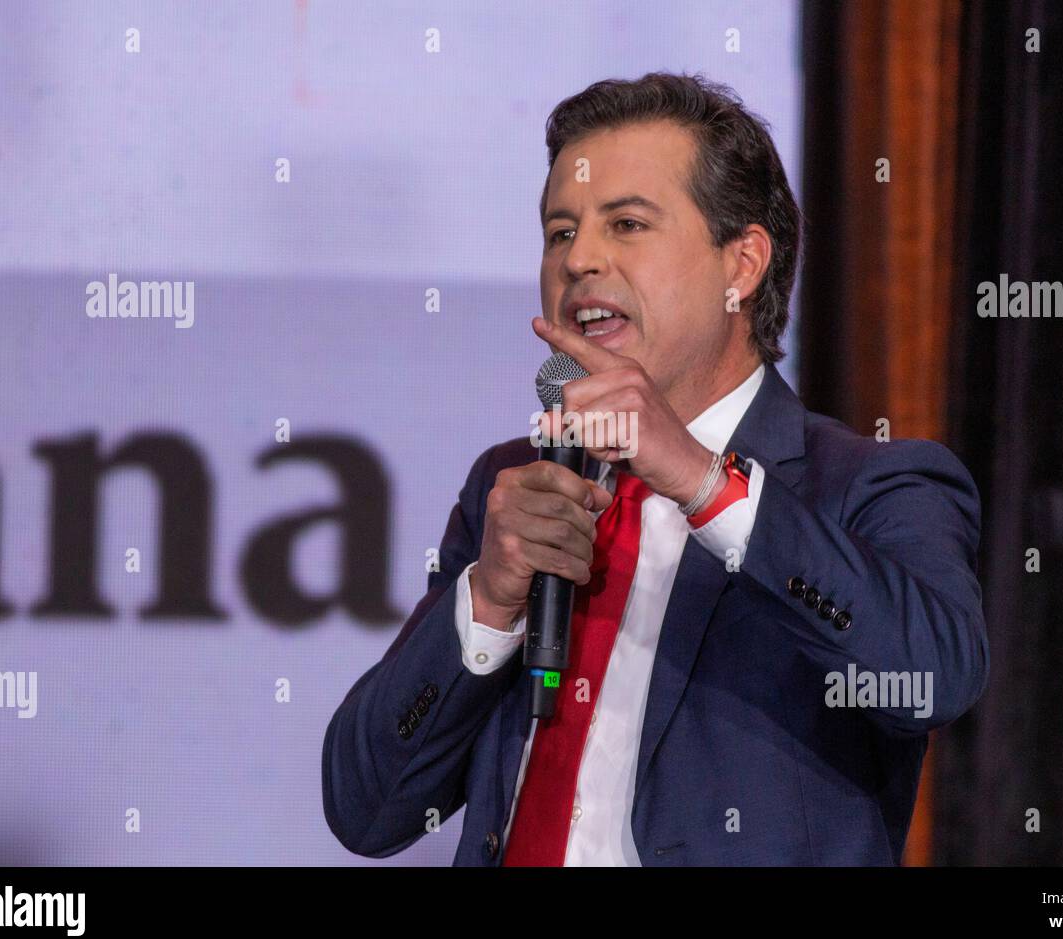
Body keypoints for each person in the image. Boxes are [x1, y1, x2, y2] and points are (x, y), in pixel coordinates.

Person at [322, 72, 988, 866]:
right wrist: (490, 601)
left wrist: (705, 484)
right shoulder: (514, 485)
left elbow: (933, 677)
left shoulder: (868, 484)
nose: (580, 260)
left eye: (626, 224)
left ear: (741, 266)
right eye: (559, 232)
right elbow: (367, 810)